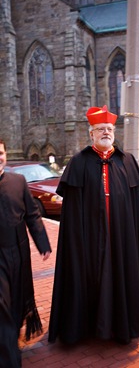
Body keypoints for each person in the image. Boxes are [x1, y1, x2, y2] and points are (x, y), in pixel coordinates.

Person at [48, 105, 139, 345]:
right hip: (89, 238)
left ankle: (122, 327)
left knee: (122, 276)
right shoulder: (78, 162)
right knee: (87, 278)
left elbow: (137, 205)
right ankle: (84, 329)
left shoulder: (127, 160)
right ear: (91, 134)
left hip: (121, 236)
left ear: (114, 131)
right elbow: (72, 211)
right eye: (100, 129)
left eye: (109, 129)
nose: (105, 132)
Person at [0, 139, 52, 368]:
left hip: (18, 254)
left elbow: (32, 215)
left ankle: (10, 339)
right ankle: (9, 357)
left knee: (17, 302)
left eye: (0, 152)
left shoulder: (18, 181)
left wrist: (43, 243)